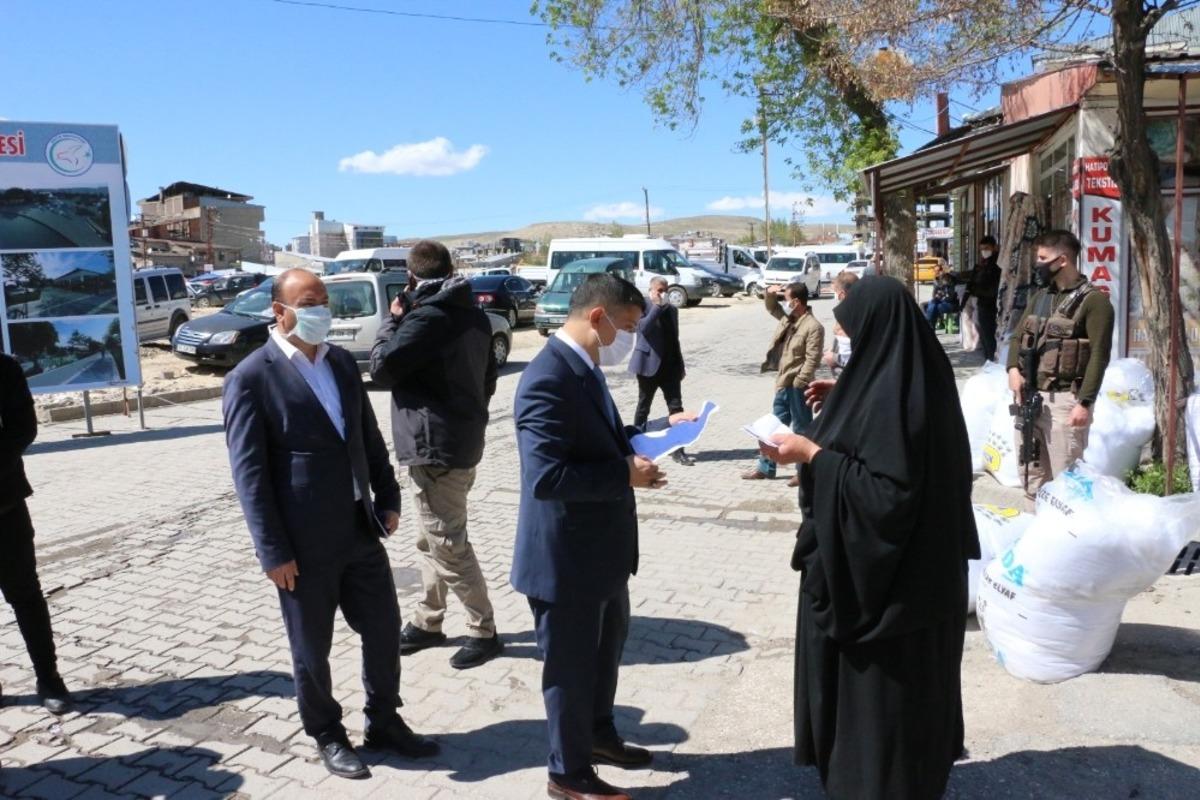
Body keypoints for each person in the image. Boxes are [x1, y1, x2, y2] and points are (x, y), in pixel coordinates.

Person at [760, 276, 979, 799]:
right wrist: (845, 394)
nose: (848, 351)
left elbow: (887, 496)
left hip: (891, 598)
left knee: (884, 726)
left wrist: (811, 455)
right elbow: (881, 430)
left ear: (879, 333)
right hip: (924, 585)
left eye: (854, 339)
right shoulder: (916, 372)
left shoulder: (896, 398)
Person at [223, 269, 438, 781]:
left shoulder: (340, 362)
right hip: (301, 543)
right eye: (310, 302)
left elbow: (364, 435)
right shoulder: (251, 377)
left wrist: (386, 495)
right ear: (280, 311)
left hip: (359, 528)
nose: (322, 310)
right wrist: (272, 551)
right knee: (311, 648)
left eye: (325, 301)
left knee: (384, 630)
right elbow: (249, 476)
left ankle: (384, 721)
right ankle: (326, 732)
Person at [512, 273, 694, 800]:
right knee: (569, 668)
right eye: (628, 326)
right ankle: (567, 775)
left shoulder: (583, 367)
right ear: (598, 317)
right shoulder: (547, 376)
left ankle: (597, 736)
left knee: (604, 651)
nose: (630, 339)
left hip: (601, 553)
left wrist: (662, 432)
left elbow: (602, 441)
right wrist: (624, 475)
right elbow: (545, 477)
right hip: (565, 559)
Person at [369, 240, 503, 670]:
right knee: (430, 538)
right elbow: (488, 382)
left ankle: (484, 630)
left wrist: (391, 322)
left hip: (435, 449)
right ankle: (428, 620)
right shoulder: (475, 317)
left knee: (447, 543)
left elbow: (381, 368)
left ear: (411, 278)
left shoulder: (427, 319)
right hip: (459, 443)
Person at [1006, 229, 1114, 502]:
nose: (1038, 264)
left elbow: (1099, 356)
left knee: (1067, 483)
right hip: (1030, 397)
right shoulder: (1041, 296)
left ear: (1062, 260)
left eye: (1043, 258)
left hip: (1065, 401)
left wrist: (1085, 403)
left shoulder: (1095, 302)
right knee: (1032, 477)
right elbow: (1018, 336)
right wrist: (1012, 370)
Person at [0, 353, 72, 715]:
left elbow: (22, 429)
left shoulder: (4, 367)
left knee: (25, 596)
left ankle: (49, 678)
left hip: (3, 508)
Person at [743, 281, 824, 487]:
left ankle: (803, 473)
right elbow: (772, 308)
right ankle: (765, 467)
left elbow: (812, 359)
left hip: (798, 385)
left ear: (796, 302)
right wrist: (769, 294)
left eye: (787, 299)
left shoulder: (813, 327)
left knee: (802, 429)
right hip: (783, 383)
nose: (784, 303)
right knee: (773, 427)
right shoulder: (788, 319)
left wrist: (800, 381)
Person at [629, 276, 694, 466]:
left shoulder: (672, 310)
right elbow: (643, 329)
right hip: (648, 367)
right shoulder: (643, 306)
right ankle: (635, 446)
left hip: (670, 369)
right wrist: (657, 306)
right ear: (651, 289)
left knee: (676, 408)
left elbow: (675, 340)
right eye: (659, 290)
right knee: (643, 407)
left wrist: (680, 365)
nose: (663, 294)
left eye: (665, 290)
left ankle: (678, 450)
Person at [959, 235, 1002, 361]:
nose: (984, 251)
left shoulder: (997, 265)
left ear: (994, 247)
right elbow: (972, 283)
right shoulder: (983, 265)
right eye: (982, 249)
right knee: (983, 336)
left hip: (991, 305)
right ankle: (988, 361)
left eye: (987, 248)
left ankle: (992, 362)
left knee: (989, 338)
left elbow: (992, 288)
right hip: (982, 304)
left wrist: (976, 289)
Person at [821, 272, 857, 376]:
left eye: (835, 291)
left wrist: (834, 358)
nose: (835, 295)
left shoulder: (854, 314)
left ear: (842, 294)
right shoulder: (846, 311)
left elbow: (853, 357)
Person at [923, 263, 960, 330]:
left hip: (951, 303)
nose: (937, 273)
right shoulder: (937, 281)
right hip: (941, 301)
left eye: (939, 270)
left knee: (934, 307)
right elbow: (934, 295)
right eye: (935, 271)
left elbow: (951, 297)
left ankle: (930, 326)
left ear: (942, 270)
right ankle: (931, 325)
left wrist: (942, 297)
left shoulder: (950, 279)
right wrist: (937, 297)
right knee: (925, 305)